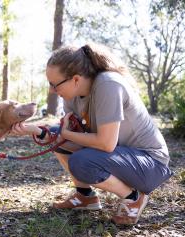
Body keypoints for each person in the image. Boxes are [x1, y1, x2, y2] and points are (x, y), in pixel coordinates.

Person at [11, 43, 172, 225]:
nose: (51, 90)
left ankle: (133, 197)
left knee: (81, 160)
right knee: (56, 134)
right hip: (120, 155)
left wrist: (65, 134)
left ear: (76, 79)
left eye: (54, 85)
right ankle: (85, 196)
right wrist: (34, 130)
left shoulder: (108, 84)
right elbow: (68, 138)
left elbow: (106, 144)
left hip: (150, 164)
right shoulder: (72, 97)